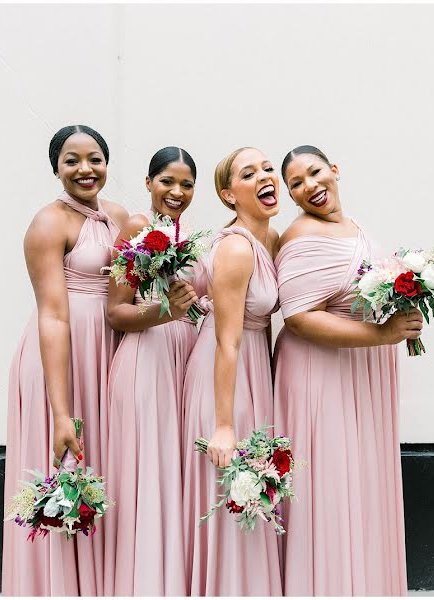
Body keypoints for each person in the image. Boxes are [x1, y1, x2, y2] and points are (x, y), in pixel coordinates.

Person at [273, 145, 423, 596]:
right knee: (329, 490)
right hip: (321, 373)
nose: (310, 186)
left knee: (359, 488)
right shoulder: (301, 235)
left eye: (315, 173)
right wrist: (384, 335)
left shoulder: (353, 225)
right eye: (296, 183)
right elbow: (299, 317)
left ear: (334, 170)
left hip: (359, 374)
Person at [2, 125, 128, 596]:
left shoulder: (118, 216)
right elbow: (53, 316)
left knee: (105, 465)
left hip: (107, 352)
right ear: (55, 167)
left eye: (94, 158)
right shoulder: (48, 224)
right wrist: (60, 412)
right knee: (66, 462)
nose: (85, 169)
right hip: (62, 356)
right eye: (72, 160)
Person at [181, 147, 282, 596]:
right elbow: (228, 338)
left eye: (267, 168)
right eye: (249, 173)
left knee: (253, 490)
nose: (265, 176)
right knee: (230, 487)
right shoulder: (237, 248)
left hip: (255, 368)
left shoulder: (271, 240)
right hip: (227, 372)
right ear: (228, 194)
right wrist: (223, 424)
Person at [103, 147, 201, 595]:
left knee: (172, 475)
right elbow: (116, 313)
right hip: (146, 360)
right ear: (148, 183)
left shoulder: (190, 237)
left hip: (179, 361)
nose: (176, 192)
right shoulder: (139, 228)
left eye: (185, 184)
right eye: (167, 181)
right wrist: (168, 312)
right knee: (147, 471)